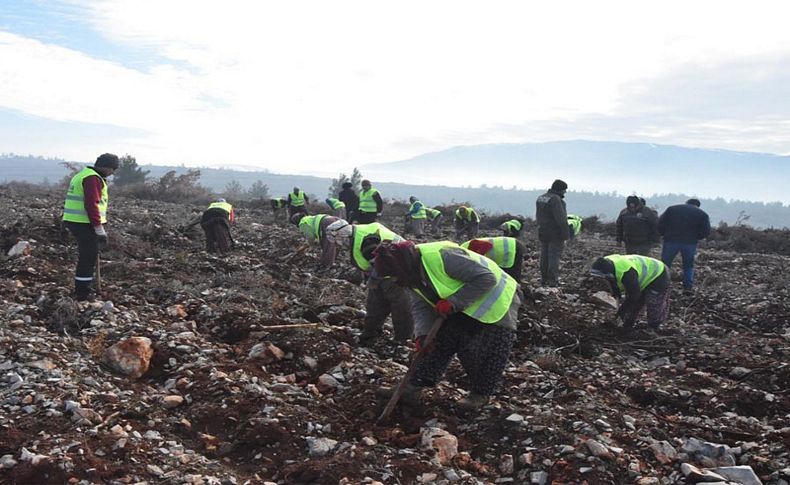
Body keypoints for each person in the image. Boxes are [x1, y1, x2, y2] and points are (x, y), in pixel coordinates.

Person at [373, 240, 521, 411]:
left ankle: (480, 395)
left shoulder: (444, 257)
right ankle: (411, 387)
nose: (394, 280)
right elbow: (420, 305)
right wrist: (422, 335)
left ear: (400, 266)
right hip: (465, 302)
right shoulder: (411, 274)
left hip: (498, 298)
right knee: (439, 340)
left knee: (489, 349)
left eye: (393, 275)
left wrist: (454, 302)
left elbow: (486, 278)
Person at [331, 222, 412, 345]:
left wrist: (372, 281)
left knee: (400, 306)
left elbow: (381, 262)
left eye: (337, 240)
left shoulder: (366, 242)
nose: (338, 244)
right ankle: (370, 333)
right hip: (383, 272)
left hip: (396, 272)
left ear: (342, 234)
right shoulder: (358, 234)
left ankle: (403, 339)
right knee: (375, 304)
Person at [62, 153, 119, 301]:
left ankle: (85, 287)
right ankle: (82, 293)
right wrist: (99, 229)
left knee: (89, 255)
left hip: (76, 221)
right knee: (88, 256)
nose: (113, 173)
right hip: (83, 222)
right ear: (107, 167)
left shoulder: (84, 174)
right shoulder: (92, 178)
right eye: (113, 169)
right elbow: (91, 204)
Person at [590, 254, 671, 330]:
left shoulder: (627, 273)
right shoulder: (605, 263)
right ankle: (628, 324)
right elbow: (612, 281)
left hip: (659, 274)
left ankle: (654, 326)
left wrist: (621, 312)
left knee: (653, 302)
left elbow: (634, 296)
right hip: (639, 276)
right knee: (635, 302)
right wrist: (616, 292)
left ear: (608, 274)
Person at [657, 198, 711, 294]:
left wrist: (664, 234)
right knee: (688, 265)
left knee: (665, 264)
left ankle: (661, 285)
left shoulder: (672, 209)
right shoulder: (702, 214)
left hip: (671, 240)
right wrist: (696, 237)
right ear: (697, 205)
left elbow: (660, 223)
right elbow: (706, 231)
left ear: (686, 203)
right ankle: (687, 287)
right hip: (689, 243)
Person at [535, 179, 569, 286]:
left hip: (543, 230)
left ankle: (544, 278)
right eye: (564, 190)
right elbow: (561, 219)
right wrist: (565, 234)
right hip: (555, 232)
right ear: (560, 189)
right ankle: (552, 280)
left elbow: (538, 216)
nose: (565, 192)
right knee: (554, 256)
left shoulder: (541, 198)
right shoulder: (556, 200)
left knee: (544, 255)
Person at [461, 237, 526, 282]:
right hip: (510, 245)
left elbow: (487, 245)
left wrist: (480, 259)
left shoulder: (464, 250)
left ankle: (516, 291)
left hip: (510, 248)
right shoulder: (462, 250)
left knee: (511, 275)